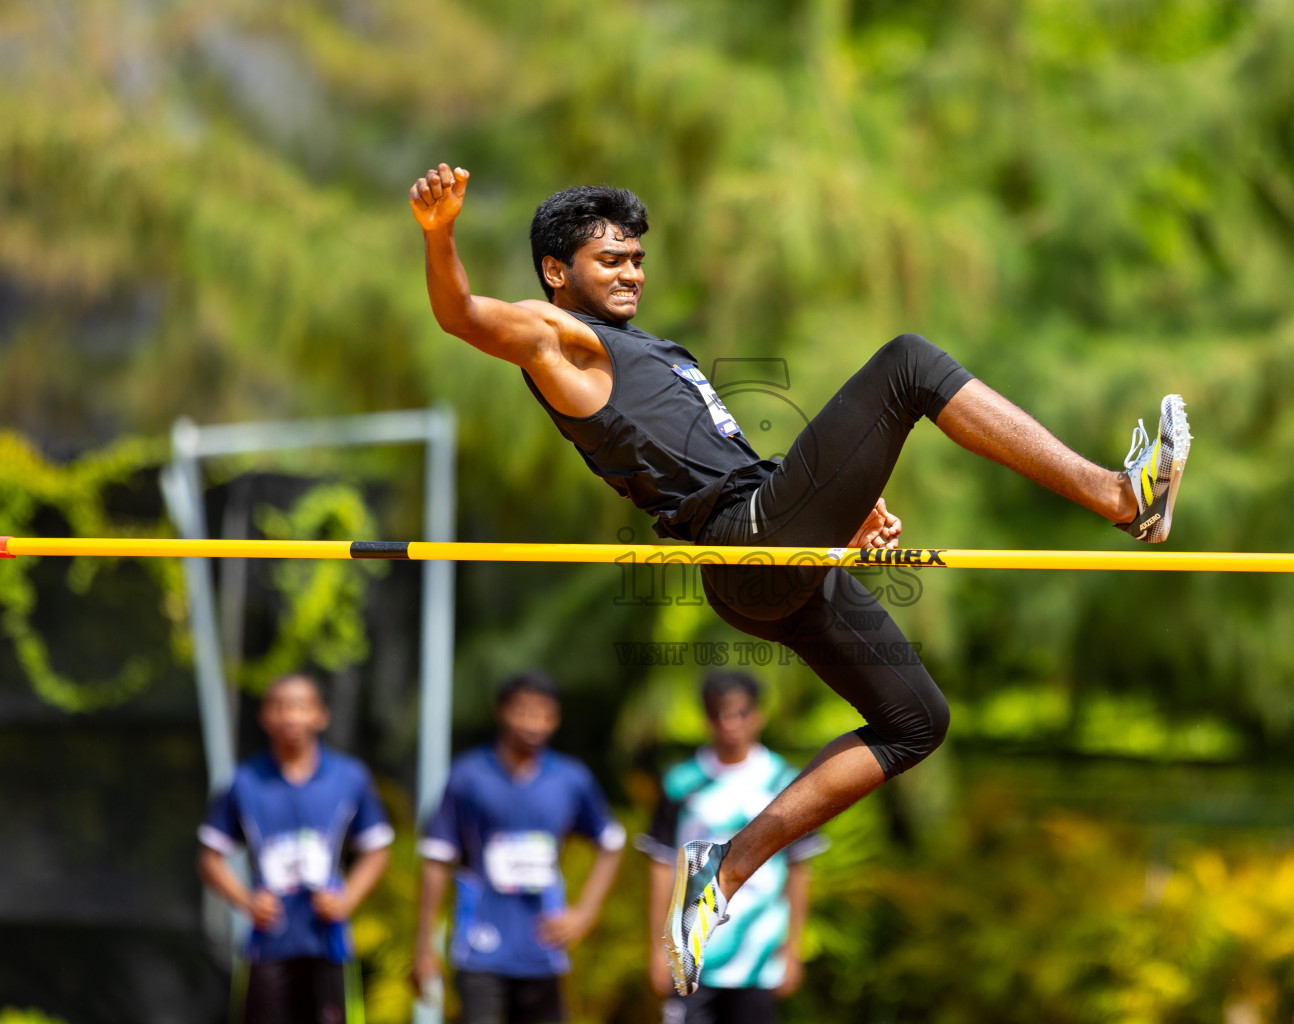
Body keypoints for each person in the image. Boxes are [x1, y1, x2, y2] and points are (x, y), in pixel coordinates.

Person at [408, 165, 1192, 994]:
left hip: (767, 549)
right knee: (910, 365)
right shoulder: (556, 336)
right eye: (611, 261)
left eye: (637, 258)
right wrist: (440, 233)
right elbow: (460, 315)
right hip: (747, 543)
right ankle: (1119, 495)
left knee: (914, 720)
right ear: (557, 274)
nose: (632, 272)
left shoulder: (646, 349)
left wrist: (839, 516)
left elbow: (720, 467)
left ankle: (726, 868)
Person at [412, 671, 626, 1024]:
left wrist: (585, 913)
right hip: (479, 947)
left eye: (545, 714)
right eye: (523, 711)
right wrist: (423, 947)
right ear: (501, 711)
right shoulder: (468, 777)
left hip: (543, 947)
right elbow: (437, 860)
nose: (533, 724)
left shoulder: (570, 779)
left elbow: (611, 843)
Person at [197, 671, 395, 1024]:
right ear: (264, 717)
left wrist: (347, 899)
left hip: (327, 942)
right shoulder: (245, 782)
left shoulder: (349, 778)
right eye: (280, 707)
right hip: (268, 944)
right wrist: (246, 901)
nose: (290, 716)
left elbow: (377, 850)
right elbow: (209, 858)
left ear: (321, 715)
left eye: (301, 706)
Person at [640, 672, 825, 1024]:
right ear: (706, 718)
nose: (729, 723)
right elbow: (661, 866)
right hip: (690, 950)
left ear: (758, 715)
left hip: (758, 953)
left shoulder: (784, 783)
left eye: (739, 712)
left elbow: (798, 868)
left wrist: (793, 951)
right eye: (717, 713)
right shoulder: (681, 782)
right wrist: (656, 947)